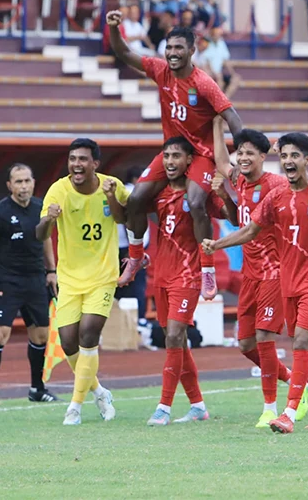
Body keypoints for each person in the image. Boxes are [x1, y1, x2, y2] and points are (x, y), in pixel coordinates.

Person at [203, 132, 308, 433]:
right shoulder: (275, 198)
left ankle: (287, 413)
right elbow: (249, 230)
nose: (289, 161)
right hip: (287, 281)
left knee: (302, 341)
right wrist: (218, 244)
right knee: (300, 345)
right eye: (285, 156)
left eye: (294, 156)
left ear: (307, 160)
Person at [106, 10, 243, 301]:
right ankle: (136, 257)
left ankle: (207, 269)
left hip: (201, 154)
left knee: (194, 202)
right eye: (169, 48)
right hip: (171, 152)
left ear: (192, 50)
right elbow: (123, 52)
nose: (172, 53)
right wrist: (114, 28)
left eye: (179, 47)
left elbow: (231, 115)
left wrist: (241, 150)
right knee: (135, 199)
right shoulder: (160, 71)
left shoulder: (203, 82)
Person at [211, 124, 305, 427]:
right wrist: (216, 121)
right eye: (240, 152)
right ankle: (293, 382)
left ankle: (269, 408)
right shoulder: (238, 182)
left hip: (274, 272)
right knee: (245, 345)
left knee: (265, 337)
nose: (242, 157)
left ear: (263, 156)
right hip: (249, 273)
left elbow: (301, 192)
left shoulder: (276, 184)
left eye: (249, 153)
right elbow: (221, 162)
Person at [36, 139, 128, 426]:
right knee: (68, 341)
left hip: (102, 275)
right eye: (73, 158)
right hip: (70, 277)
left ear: (95, 164)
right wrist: (49, 220)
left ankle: (74, 407)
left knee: (89, 333)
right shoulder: (58, 190)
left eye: (83, 159)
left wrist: (112, 197)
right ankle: (99, 392)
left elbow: (125, 218)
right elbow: (40, 235)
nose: (77, 164)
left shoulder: (112, 185)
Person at [145, 137, 221, 426]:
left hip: (188, 275)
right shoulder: (159, 194)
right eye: (166, 156)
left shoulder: (198, 196)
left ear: (190, 160)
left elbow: (224, 215)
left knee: (175, 336)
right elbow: (134, 212)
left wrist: (207, 270)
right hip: (162, 275)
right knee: (176, 341)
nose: (170, 161)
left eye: (176, 155)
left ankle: (163, 407)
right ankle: (198, 406)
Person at [0, 163, 58, 407]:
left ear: (33, 182)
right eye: (18, 182)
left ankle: (37, 389)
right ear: (10, 185)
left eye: (27, 181)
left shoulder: (40, 208)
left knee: (41, 335)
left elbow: (47, 240)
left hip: (35, 280)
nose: (23, 186)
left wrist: (51, 270)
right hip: (7, 281)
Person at [115, 165, 149, 320]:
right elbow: (128, 219)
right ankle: (137, 323)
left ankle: (119, 325)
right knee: (135, 287)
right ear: (136, 179)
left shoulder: (130, 192)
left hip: (125, 246)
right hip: (129, 247)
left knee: (122, 289)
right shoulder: (131, 192)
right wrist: (133, 248)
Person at [197, 26, 240, 100]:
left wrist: (232, 73)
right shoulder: (207, 43)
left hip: (218, 72)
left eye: (219, 34)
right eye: (215, 34)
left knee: (236, 79)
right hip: (209, 72)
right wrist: (214, 73)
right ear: (212, 34)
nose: (217, 36)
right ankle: (218, 101)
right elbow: (205, 61)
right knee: (219, 80)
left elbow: (226, 60)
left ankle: (225, 100)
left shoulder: (221, 43)